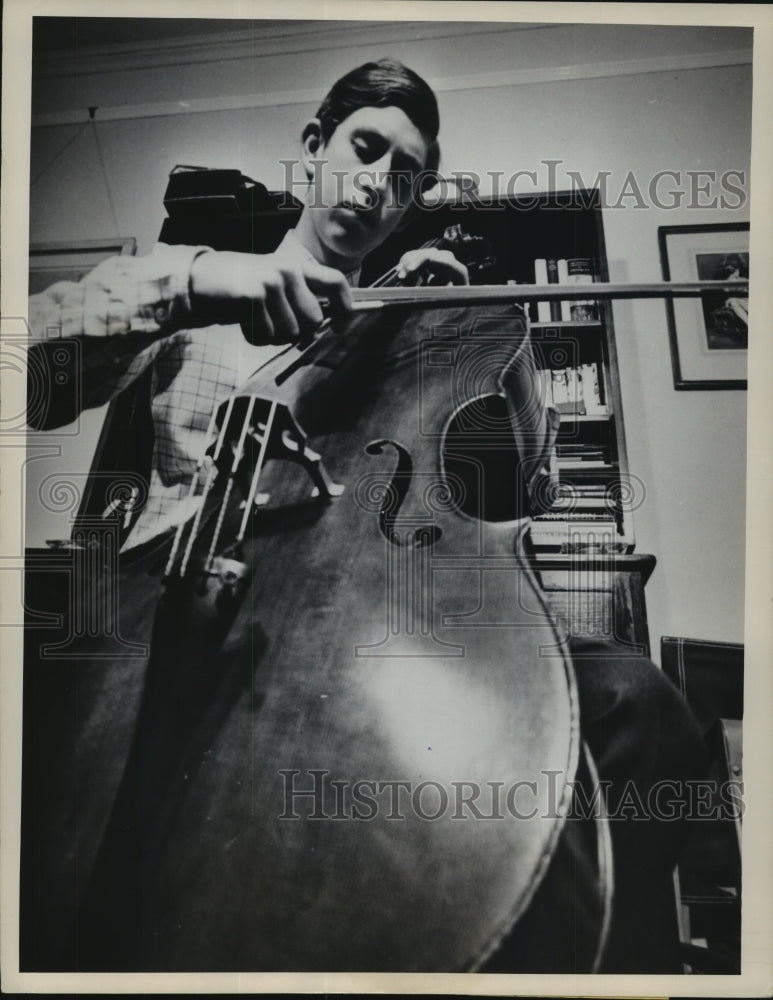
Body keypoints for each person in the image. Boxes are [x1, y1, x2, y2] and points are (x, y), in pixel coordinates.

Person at [25, 58, 707, 973]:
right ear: (312, 150)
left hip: (358, 623)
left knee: (641, 705)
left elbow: (513, 500)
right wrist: (192, 284)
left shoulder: (395, 316)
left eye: (405, 176)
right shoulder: (194, 291)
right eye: (364, 148)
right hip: (187, 609)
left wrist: (433, 337)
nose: (379, 185)